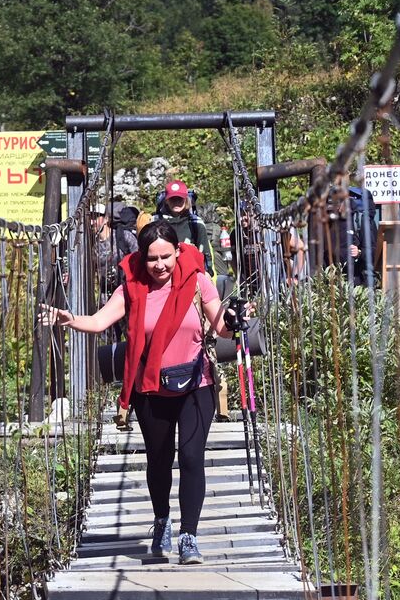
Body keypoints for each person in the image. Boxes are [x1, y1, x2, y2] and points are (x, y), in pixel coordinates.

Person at [40, 220, 251, 565]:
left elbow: (221, 329)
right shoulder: (132, 287)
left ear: (177, 251)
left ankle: (189, 537)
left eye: (166, 256)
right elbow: (99, 321)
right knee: (159, 459)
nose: (160, 265)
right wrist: (69, 319)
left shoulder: (197, 282)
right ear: (142, 256)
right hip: (150, 388)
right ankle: (161, 521)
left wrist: (233, 318)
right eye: (152, 258)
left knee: (192, 458)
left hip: (197, 384)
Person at [155, 179, 214, 273]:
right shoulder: (154, 222)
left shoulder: (196, 223)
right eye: (172, 199)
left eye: (180, 199)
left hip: (189, 272)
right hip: (161, 272)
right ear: (166, 201)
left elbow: (205, 254)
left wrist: (206, 273)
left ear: (186, 200)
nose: (176, 202)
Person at [90, 202, 138, 295]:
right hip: (105, 295)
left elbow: (139, 260)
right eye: (90, 218)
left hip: (127, 291)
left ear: (106, 219)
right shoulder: (91, 244)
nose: (91, 222)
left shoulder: (124, 236)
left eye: (95, 217)